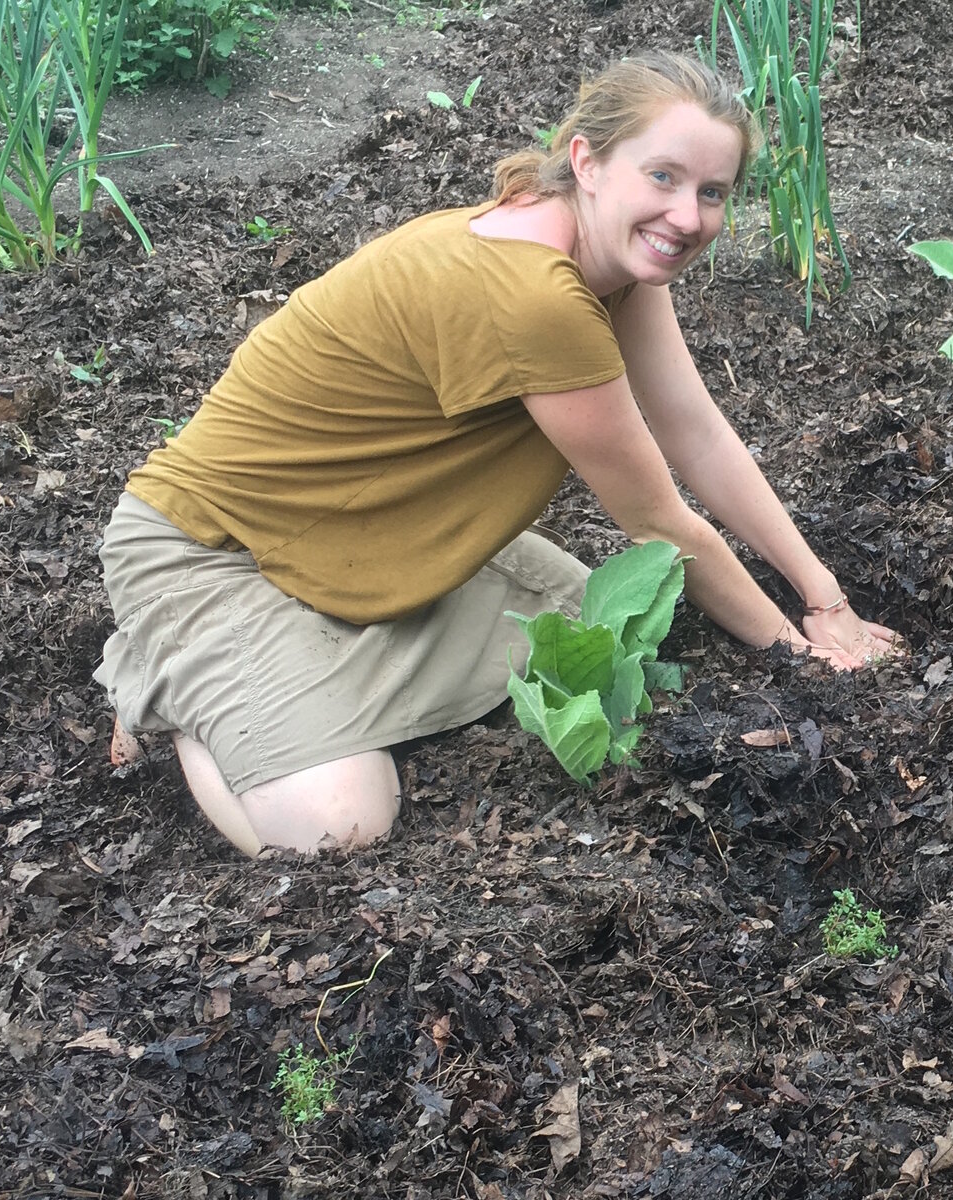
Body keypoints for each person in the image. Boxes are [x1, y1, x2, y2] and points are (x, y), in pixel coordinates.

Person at [94, 52, 897, 858]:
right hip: (211, 551)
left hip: (375, 539)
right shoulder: (536, 297)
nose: (687, 216)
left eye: (712, 191)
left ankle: (292, 692)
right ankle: (174, 698)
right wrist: (800, 660)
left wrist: (823, 599)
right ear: (586, 159)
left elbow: (699, 435)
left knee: (613, 641)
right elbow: (658, 517)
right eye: (663, 176)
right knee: (338, 828)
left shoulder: (610, 265)